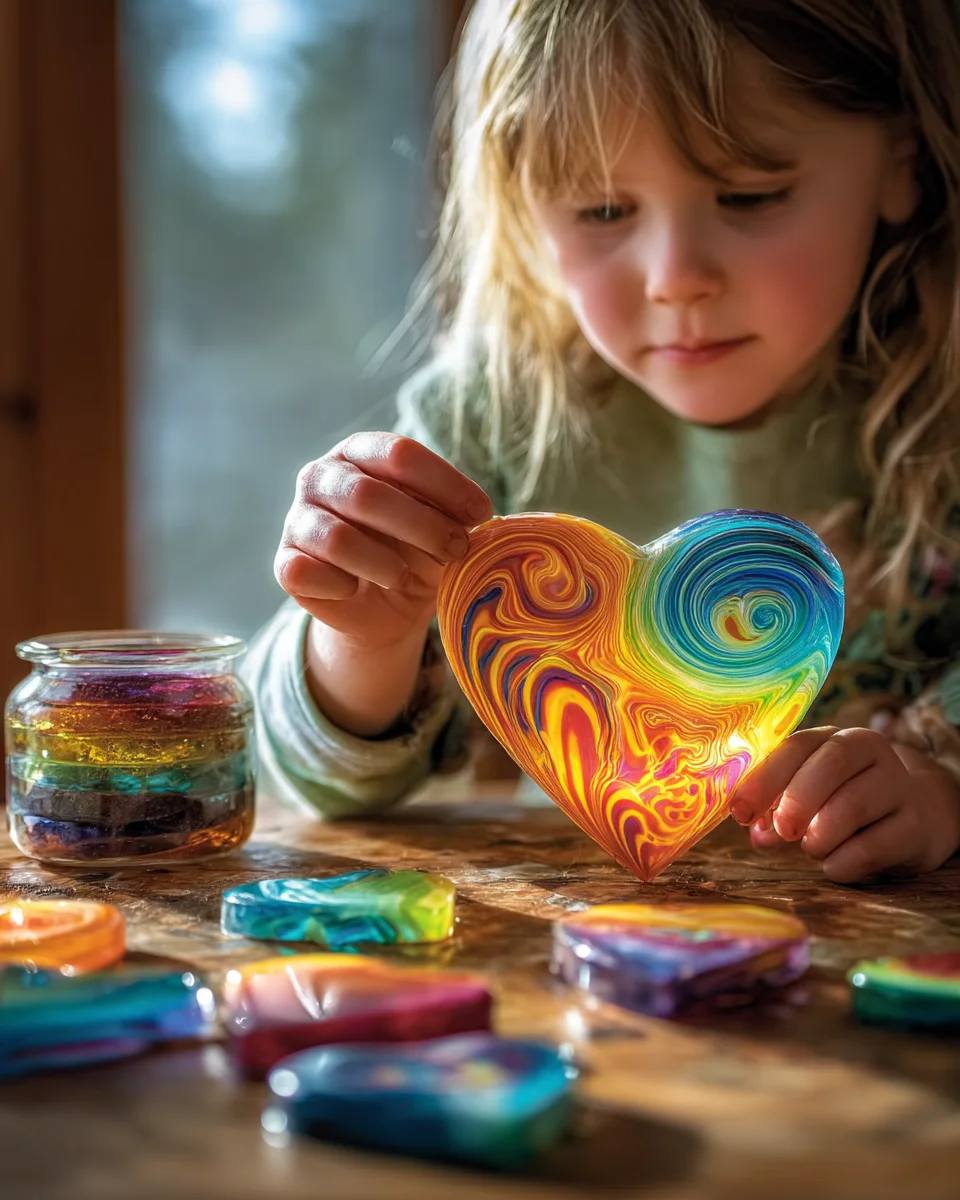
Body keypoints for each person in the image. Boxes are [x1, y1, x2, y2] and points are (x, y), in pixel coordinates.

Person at [246, 0, 960, 884]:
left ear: (902, 161)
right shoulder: (491, 422)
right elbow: (296, 778)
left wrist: (943, 793)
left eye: (750, 195)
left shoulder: (945, 409)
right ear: (524, 201)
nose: (675, 279)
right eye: (603, 209)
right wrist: (364, 638)